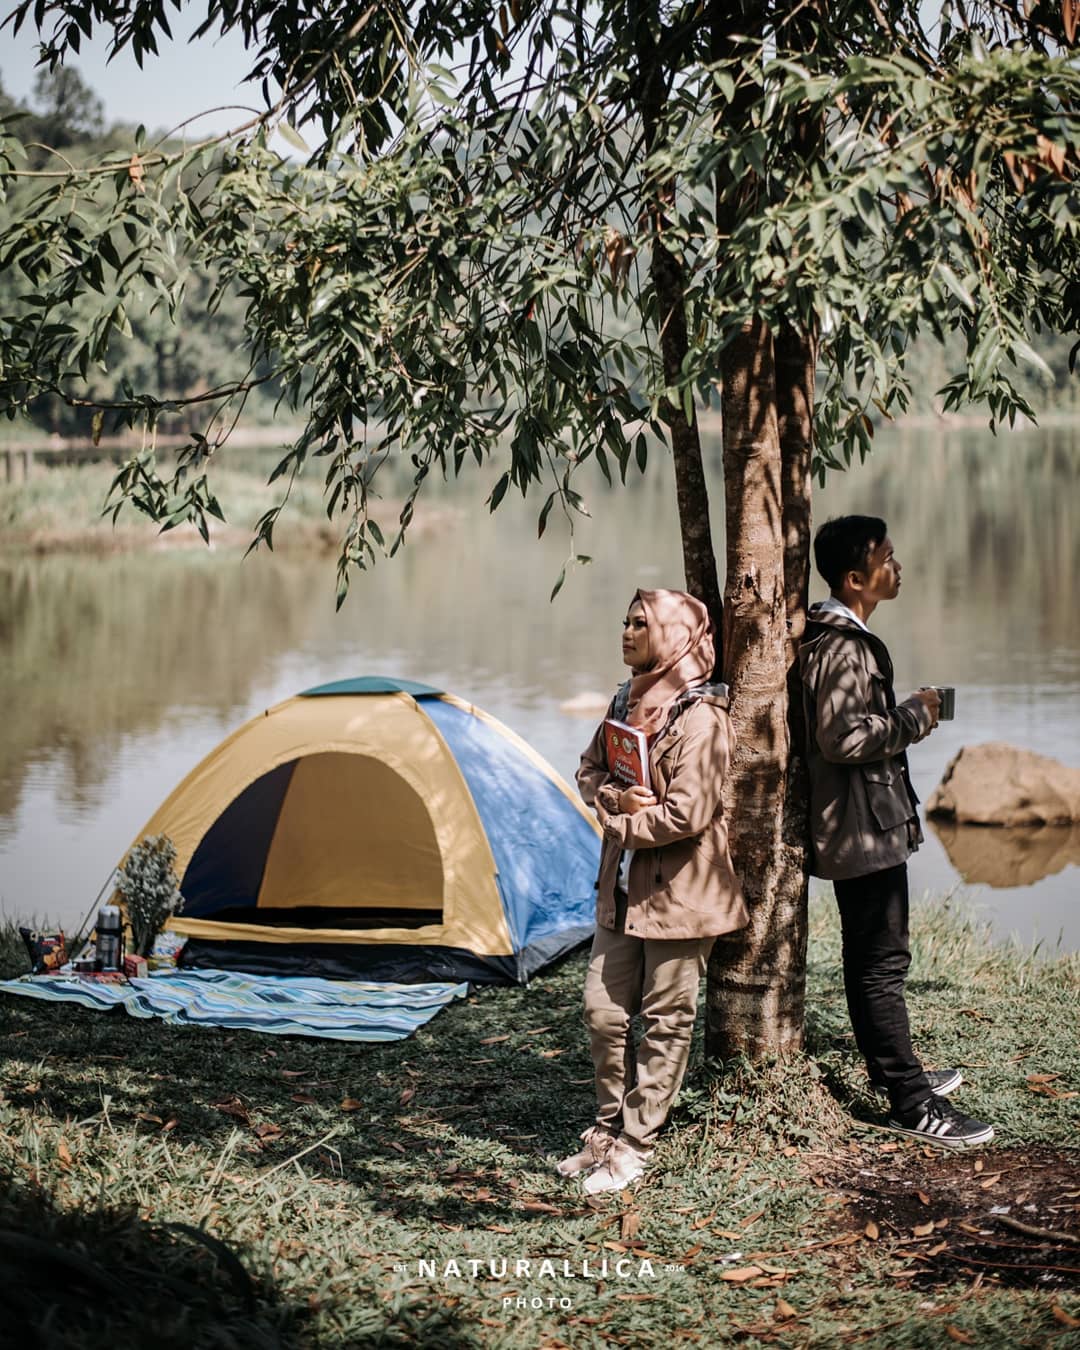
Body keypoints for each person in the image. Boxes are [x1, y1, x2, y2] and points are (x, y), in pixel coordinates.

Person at [799, 516, 994, 1147]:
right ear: (857, 579)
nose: (898, 564)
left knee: (873, 959)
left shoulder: (828, 636)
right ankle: (911, 1102)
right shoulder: (844, 646)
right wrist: (914, 715)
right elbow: (844, 737)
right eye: (887, 556)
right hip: (860, 830)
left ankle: (896, 1075)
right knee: (880, 963)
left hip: (864, 823)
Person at [560, 588, 749, 1194]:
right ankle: (605, 1131)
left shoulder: (703, 718)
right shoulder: (625, 701)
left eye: (641, 623)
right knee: (602, 1012)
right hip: (620, 892)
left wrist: (615, 821)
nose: (627, 630)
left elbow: (688, 815)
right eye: (625, 619)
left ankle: (636, 1145)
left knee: (667, 1020)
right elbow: (590, 772)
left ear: (676, 636)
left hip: (680, 897)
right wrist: (615, 799)